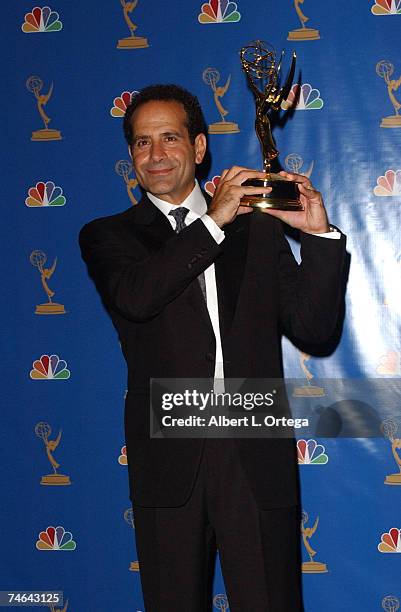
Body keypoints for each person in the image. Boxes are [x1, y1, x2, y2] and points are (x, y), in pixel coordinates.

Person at [79, 84, 346, 611]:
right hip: (168, 454)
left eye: (170, 138)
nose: (156, 155)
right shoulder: (108, 236)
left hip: (252, 447)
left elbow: (314, 329)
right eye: (142, 143)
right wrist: (215, 220)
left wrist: (318, 237)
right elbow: (137, 297)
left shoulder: (259, 230)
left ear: (200, 148)